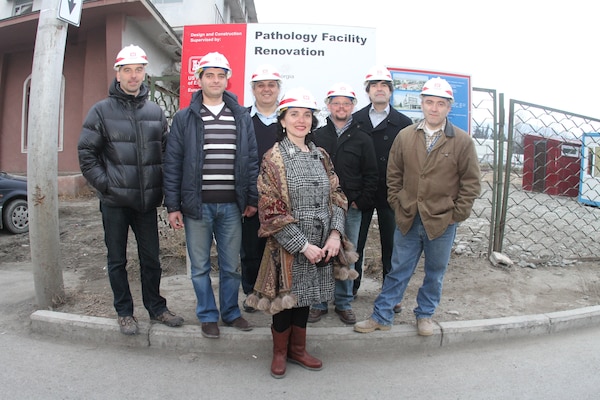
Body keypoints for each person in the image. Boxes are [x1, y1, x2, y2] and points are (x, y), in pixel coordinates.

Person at [354, 77, 481, 336]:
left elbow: (470, 182)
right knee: (398, 269)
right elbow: (394, 175)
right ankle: (382, 315)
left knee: (435, 272)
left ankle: (425, 315)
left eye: (441, 104)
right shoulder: (406, 136)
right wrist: (399, 205)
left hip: (442, 220)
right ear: (421, 104)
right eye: (429, 102)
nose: (434, 108)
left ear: (449, 107)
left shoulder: (462, 142)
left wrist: (456, 214)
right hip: (409, 217)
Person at [78, 44, 184, 335]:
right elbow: (87, 154)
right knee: (117, 260)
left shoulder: (155, 112)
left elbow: (166, 153)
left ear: (144, 73)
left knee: (151, 259)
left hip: (146, 202)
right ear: (118, 73)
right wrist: (107, 185)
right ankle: (124, 312)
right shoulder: (101, 111)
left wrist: (162, 189)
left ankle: (156, 308)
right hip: (114, 202)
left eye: (139, 70)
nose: (134, 76)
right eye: (128, 70)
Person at [247, 88, 347, 378]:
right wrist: (302, 245)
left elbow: (338, 195)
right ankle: (279, 352)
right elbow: (270, 208)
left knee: (305, 297)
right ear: (283, 120)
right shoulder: (274, 158)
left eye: (306, 115)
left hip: (322, 242)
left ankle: (298, 350)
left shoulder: (321, 155)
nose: (301, 120)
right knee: (285, 300)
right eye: (294, 115)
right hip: (289, 245)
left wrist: (335, 235)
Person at [163, 52, 258, 339]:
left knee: (231, 266)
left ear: (227, 79)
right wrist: (173, 206)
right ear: (199, 79)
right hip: (197, 207)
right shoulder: (184, 117)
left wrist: (251, 199)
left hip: (232, 206)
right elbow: (173, 162)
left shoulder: (240, 116)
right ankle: (207, 315)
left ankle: (230, 312)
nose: (215, 80)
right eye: (209, 75)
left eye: (220, 75)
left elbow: (251, 160)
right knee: (200, 267)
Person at [309, 83, 378, 325]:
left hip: (351, 209)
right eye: (336, 102)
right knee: (320, 253)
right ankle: (318, 303)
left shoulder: (362, 138)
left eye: (346, 103)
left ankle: (344, 303)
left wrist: (360, 202)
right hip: (320, 209)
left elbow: (372, 174)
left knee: (347, 255)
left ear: (353, 106)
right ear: (328, 106)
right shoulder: (316, 136)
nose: (341, 107)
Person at [353, 65, 413, 312]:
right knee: (355, 241)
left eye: (384, 85)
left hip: (392, 193)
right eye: (375, 85)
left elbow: (410, 159)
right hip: (362, 191)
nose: (380, 89)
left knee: (393, 244)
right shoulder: (355, 120)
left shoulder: (403, 122)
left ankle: (392, 293)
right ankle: (350, 288)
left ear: (391, 91)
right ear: (368, 91)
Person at [240, 64, 282, 313]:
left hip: (282, 200)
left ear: (278, 89)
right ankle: (252, 293)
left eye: (271, 85)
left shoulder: (288, 118)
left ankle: (278, 291)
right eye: (261, 85)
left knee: (281, 248)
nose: (266, 90)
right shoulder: (242, 118)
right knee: (251, 249)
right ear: (253, 90)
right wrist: (249, 195)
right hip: (252, 197)